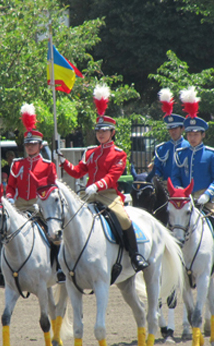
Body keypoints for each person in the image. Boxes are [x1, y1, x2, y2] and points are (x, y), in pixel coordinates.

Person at [57, 85, 149, 272]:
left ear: (112, 132)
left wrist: (97, 185)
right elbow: (77, 172)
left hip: (107, 194)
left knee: (123, 218)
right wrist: (63, 162)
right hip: (89, 195)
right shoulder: (90, 152)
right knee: (67, 217)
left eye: (104, 131)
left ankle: (134, 254)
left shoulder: (119, 154)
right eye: (98, 131)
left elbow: (113, 175)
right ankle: (63, 261)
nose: (100, 134)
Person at [171, 87, 214, 278]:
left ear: (202, 135)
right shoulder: (180, 153)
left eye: (196, 134)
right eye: (189, 134)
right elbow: (175, 175)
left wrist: (207, 195)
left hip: (206, 199)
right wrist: (179, 190)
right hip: (185, 199)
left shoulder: (211, 153)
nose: (192, 137)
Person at [0, 103, 64, 287]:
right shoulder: (17, 164)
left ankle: (59, 268)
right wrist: (9, 198)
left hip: (39, 206)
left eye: (34, 144)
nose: (30, 147)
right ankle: (1, 273)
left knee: (53, 235)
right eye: (27, 144)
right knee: (2, 233)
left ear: (40, 146)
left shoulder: (48, 165)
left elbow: (51, 188)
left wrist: (41, 201)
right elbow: (11, 186)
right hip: (18, 206)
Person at [146, 88, 190, 182]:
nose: (173, 132)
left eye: (175, 128)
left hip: (184, 188)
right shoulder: (162, 148)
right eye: (170, 129)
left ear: (182, 128)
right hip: (166, 187)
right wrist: (155, 173)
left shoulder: (189, 147)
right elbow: (158, 168)